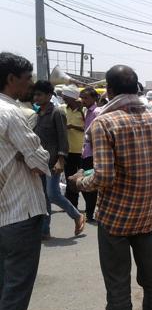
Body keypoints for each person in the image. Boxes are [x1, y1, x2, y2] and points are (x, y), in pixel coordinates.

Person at [70, 65, 152, 310]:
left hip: (114, 221)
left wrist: (79, 181)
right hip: (146, 217)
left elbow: (104, 176)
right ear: (137, 88)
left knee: (118, 287)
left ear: (110, 90)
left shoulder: (104, 124)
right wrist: (146, 175)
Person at [0, 52, 50, 310]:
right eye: (27, 78)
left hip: (6, 213)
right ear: (10, 79)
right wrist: (29, 157)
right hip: (20, 213)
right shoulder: (12, 114)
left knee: (4, 287)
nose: (30, 84)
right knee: (15, 293)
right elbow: (41, 161)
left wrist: (26, 157)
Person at [33, 80, 85, 239]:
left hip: (54, 161)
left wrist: (61, 160)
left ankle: (76, 215)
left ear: (49, 95)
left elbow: (63, 139)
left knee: (53, 194)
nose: (36, 97)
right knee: (43, 197)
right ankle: (45, 230)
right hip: (41, 161)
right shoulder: (37, 114)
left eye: (40, 94)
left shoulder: (57, 112)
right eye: (35, 94)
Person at [60, 85, 88, 216]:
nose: (63, 99)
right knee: (69, 177)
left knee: (83, 177)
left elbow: (87, 129)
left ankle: (90, 207)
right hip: (68, 149)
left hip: (81, 150)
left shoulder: (84, 111)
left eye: (66, 97)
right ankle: (71, 205)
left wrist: (73, 126)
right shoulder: (61, 109)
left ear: (72, 97)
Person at [79, 87, 101, 223]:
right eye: (82, 98)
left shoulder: (97, 112)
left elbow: (96, 133)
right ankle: (90, 211)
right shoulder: (86, 111)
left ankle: (90, 212)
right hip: (86, 152)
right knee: (86, 183)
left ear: (94, 98)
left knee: (90, 184)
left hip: (93, 154)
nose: (83, 100)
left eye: (86, 98)